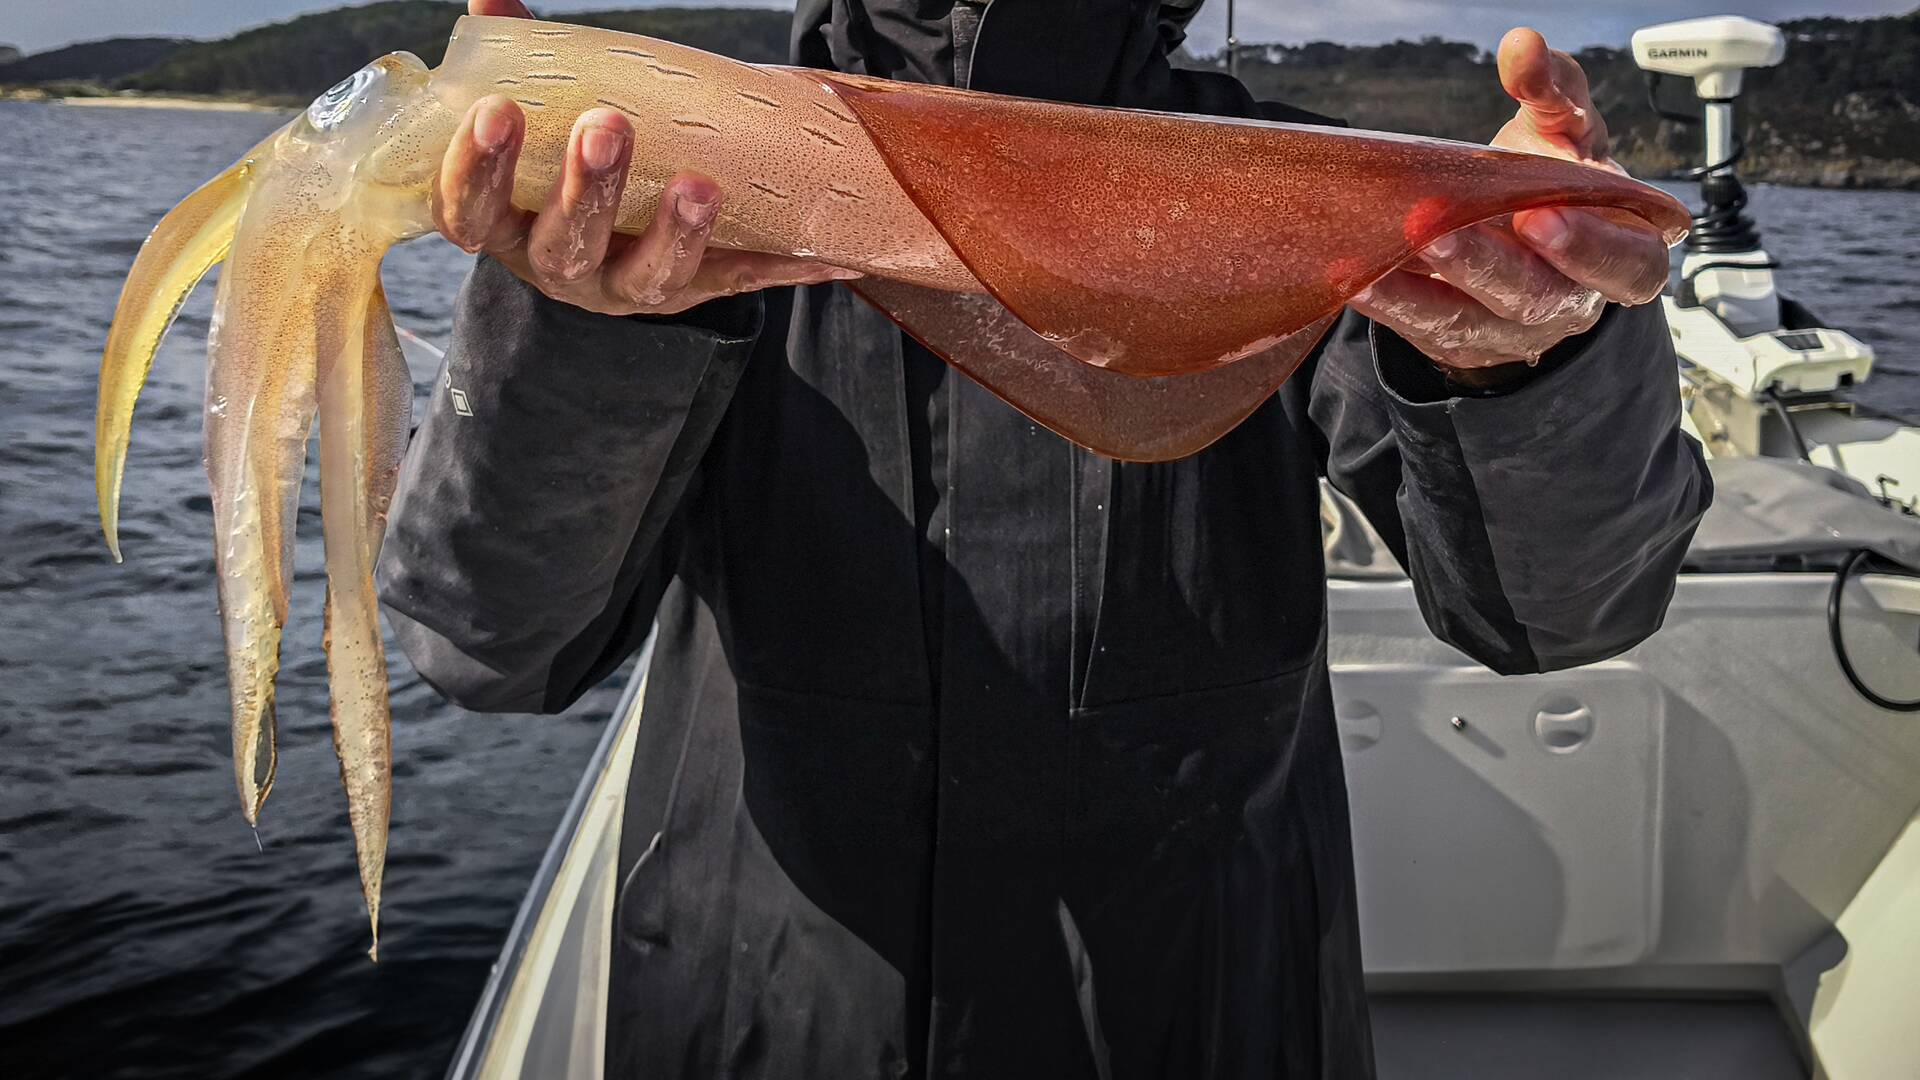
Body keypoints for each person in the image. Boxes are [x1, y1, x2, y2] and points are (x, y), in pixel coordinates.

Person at [378, 1, 1712, 1076]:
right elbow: (486, 638)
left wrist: (1537, 345)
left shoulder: (1304, 200)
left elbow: (1562, 610)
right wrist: (589, 329)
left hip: (1200, 1014)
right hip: (764, 1016)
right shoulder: (689, 178)